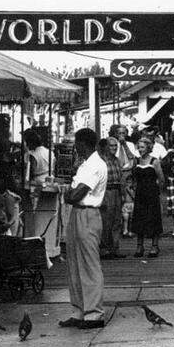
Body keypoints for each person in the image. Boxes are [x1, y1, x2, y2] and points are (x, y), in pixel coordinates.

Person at [59, 128, 108, 330]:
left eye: (76, 143)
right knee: (75, 264)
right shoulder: (85, 164)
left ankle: (94, 313)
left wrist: (67, 194)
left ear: (83, 143)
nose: (74, 147)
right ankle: (79, 310)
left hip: (87, 213)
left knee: (89, 264)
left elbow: (75, 194)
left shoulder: (95, 165)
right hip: (78, 213)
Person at [131, 137, 165, 258]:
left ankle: (154, 246)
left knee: (153, 218)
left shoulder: (154, 161)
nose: (140, 150)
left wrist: (158, 192)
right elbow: (134, 178)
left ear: (149, 148)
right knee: (139, 218)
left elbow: (161, 179)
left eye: (143, 147)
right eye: (139, 147)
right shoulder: (137, 161)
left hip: (152, 193)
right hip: (140, 193)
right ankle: (140, 245)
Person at [99, 137, 125, 259]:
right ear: (106, 147)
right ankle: (105, 249)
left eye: (115, 146)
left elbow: (122, 177)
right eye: (111, 146)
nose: (114, 148)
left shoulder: (117, 160)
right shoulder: (102, 161)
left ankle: (115, 248)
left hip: (117, 191)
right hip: (106, 191)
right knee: (106, 221)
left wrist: (123, 194)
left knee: (117, 220)